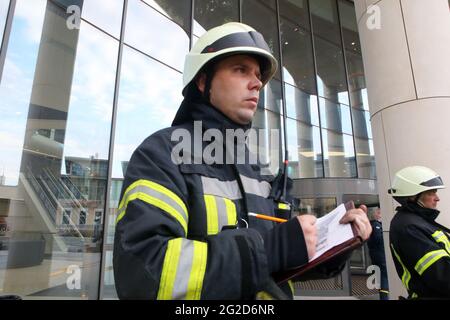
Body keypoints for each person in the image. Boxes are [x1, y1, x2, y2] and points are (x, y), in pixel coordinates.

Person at [113, 22, 372, 300]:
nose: (257, 83)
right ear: (203, 81)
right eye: (240, 69)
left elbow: (274, 266)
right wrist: (269, 248)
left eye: (258, 75)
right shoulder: (162, 153)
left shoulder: (257, 166)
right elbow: (145, 273)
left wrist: (332, 245)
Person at [389, 166, 450, 299]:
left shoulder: (419, 222)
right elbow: (442, 277)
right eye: (431, 192)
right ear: (413, 195)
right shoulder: (409, 228)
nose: (437, 198)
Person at [367, 208, 389, 300]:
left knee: (382, 276)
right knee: (383, 276)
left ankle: (384, 296)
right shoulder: (375, 225)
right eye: (379, 213)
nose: (381, 215)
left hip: (377, 255)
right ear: (375, 215)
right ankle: (384, 297)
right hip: (380, 255)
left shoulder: (373, 225)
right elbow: (378, 239)